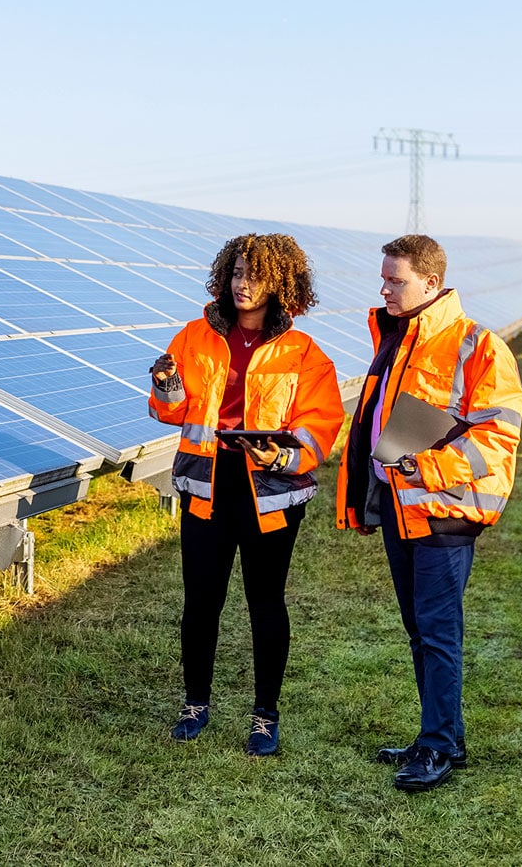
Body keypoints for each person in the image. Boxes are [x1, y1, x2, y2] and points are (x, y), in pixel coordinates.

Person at [336, 234, 522, 792]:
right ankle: (440, 734)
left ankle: (439, 747)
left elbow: (497, 439)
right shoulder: (398, 338)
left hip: (444, 511)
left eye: (397, 279)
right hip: (400, 505)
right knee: (420, 630)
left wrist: (429, 469)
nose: (385, 287)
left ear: (431, 283)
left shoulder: (477, 345)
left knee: (439, 632)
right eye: (385, 277)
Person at [149, 233, 344, 756]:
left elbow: (321, 424)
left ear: (281, 283)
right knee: (202, 599)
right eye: (236, 272)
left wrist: (280, 457)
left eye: (254, 275)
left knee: (265, 601)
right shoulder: (193, 337)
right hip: (206, 487)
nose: (242, 284)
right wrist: (166, 381)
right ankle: (195, 703)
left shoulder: (303, 354)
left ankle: (265, 714)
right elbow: (169, 410)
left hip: (271, 494)